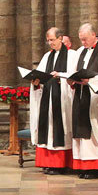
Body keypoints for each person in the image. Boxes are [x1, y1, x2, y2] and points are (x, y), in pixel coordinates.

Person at [68, 23, 98, 178]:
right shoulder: (80, 51)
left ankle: (95, 167)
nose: (83, 43)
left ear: (94, 34)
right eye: (81, 40)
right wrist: (71, 80)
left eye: (85, 39)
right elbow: (73, 71)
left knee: (94, 129)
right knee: (81, 128)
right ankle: (82, 165)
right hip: (81, 94)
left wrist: (90, 81)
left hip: (95, 96)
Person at [29, 27, 73, 173]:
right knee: (47, 130)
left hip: (62, 98)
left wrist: (60, 75)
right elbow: (41, 74)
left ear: (60, 38)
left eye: (52, 40)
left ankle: (60, 164)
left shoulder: (72, 55)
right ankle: (47, 162)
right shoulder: (47, 56)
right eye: (48, 40)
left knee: (59, 128)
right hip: (47, 97)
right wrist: (36, 82)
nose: (50, 43)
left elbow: (74, 75)